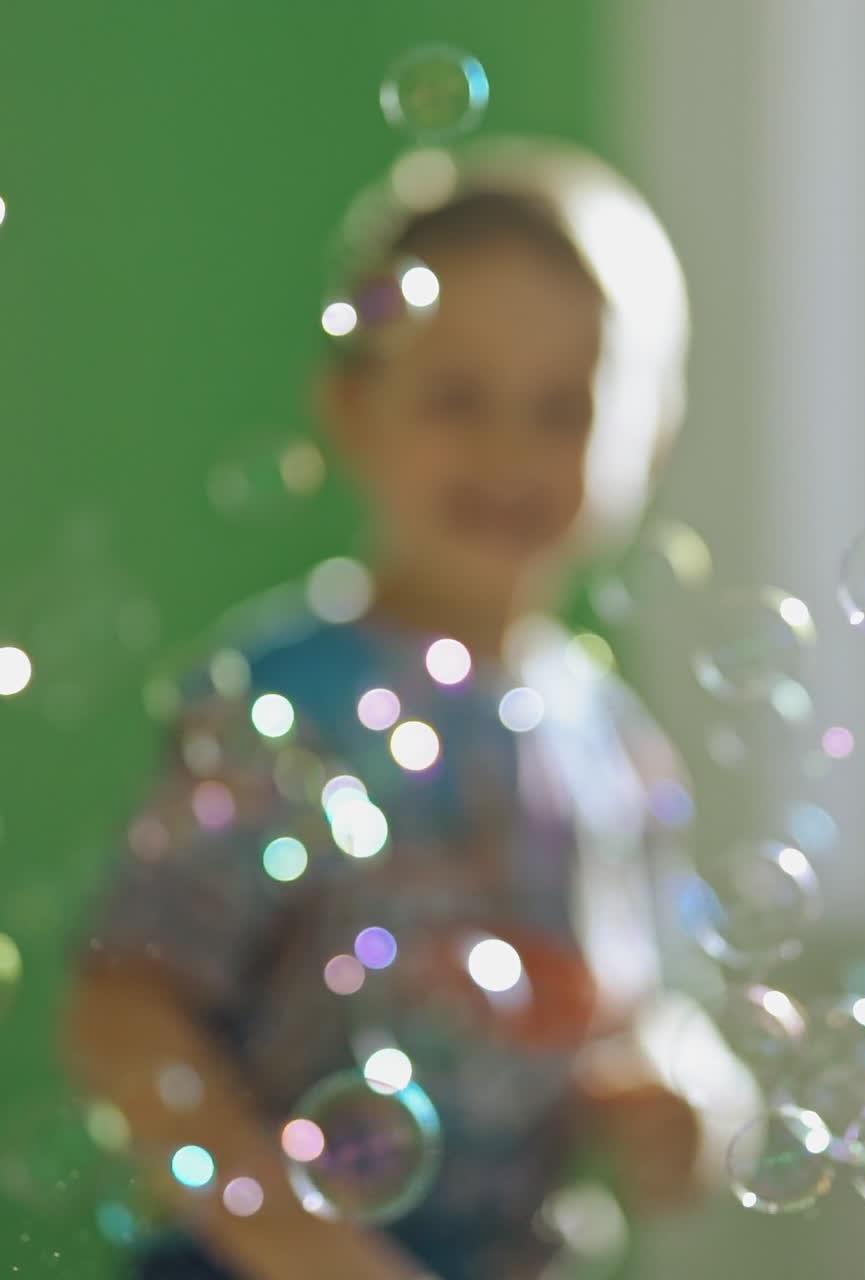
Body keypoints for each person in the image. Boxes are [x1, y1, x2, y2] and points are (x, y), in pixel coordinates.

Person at [63, 137, 752, 1280]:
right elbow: (123, 1007)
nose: (506, 447)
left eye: (561, 408)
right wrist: (303, 1244)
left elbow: (657, 1016)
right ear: (351, 401)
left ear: (652, 437)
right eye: (454, 395)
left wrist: (688, 1107)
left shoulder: (609, 741)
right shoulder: (280, 699)